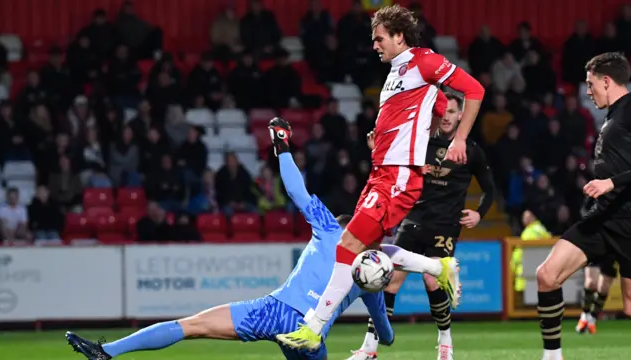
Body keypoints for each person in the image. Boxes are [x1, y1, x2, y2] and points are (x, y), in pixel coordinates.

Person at [66, 117, 393, 360]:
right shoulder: (368, 277)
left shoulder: (329, 228)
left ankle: (106, 351)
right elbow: (387, 335)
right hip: (307, 333)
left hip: (271, 310)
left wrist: (282, 145)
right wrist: (375, 333)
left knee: (191, 325)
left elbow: (295, 189)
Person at [276, 4, 484, 350]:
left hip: (397, 177)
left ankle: (313, 327)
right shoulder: (396, 73)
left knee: (347, 246)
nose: (375, 45)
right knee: (366, 250)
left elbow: (474, 89)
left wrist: (457, 139)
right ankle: (438, 266)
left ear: (400, 37)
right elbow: (429, 111)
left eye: (380, 38)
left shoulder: (425, 62)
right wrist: (386, 140)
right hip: (382, 172)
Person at [348, 92, 496, 360]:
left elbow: (490, 190)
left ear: (461, 115)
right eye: (444, 112)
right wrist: (376, 150)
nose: (447, 117)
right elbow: (392, 169)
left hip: (445, 226)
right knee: (386, 281)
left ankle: (445, 344)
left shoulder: (471, 151)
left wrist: (479, 214)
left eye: (452, 112)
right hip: (413, 221)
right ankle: (369, 348)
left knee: (431, 279)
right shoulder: (419, 145)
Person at [535, 52, 631, 360]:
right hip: (601, 216)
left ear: (607, 81)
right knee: (547, 275)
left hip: (628, 220)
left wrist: (611, 182)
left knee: (629, 304)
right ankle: (552, 357)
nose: (587, 92)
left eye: (590, 85)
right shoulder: (611, 116)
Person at [576, 261, 617, 334]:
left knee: (604, 288)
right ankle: (585, 315)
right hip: (596, 251)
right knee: (591, 283)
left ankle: (592, 318)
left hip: (612, 253)